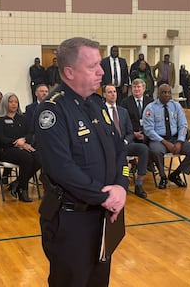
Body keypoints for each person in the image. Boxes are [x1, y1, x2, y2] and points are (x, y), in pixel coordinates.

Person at [35, 37, 128, 287]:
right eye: (93, 66)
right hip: (71, 221)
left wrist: (121, 186)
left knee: (99, 281)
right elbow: (61, 168)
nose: (101, 71)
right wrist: (105, 196)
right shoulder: (52, 111)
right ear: (69, 72)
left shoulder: (96, 105)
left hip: (104, 217)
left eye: (100, 64)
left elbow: (120, 151)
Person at [142, 83, 190, 188]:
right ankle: (163, 177)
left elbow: (183, 125)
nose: (166, 95)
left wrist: (180, 141)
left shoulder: (176, 106)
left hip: (175, 139)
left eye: (169, 92)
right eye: (164, 92)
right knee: (156, 151)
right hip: (159, 140)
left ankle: (175, 174)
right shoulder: (150, 108)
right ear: (158, 94)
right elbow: (148, 130)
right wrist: (165, 142)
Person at [0, 92, 41, 202]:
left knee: (39, 157)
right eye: (11, 102)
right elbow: (0, 138)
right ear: (5, 103)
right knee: (27, 158)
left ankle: (17, 182)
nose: (14, 104)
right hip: (6, 149)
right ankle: (22, 189)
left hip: (23, 146)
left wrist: (24, 140)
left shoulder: (22, 118)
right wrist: (17, 142)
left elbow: (30, 133)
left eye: (16, 102)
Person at [104, 84, 149, 198]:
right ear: (104, 95)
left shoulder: (123, 111)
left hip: (123, 144)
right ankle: (118, 184)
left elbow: (129, 132)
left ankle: (139, 184)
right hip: (108, 146)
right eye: (110, 92)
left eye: (114, 91)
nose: (113, 94)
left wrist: (125, 142)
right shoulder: (100, 111)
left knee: (143, 149)